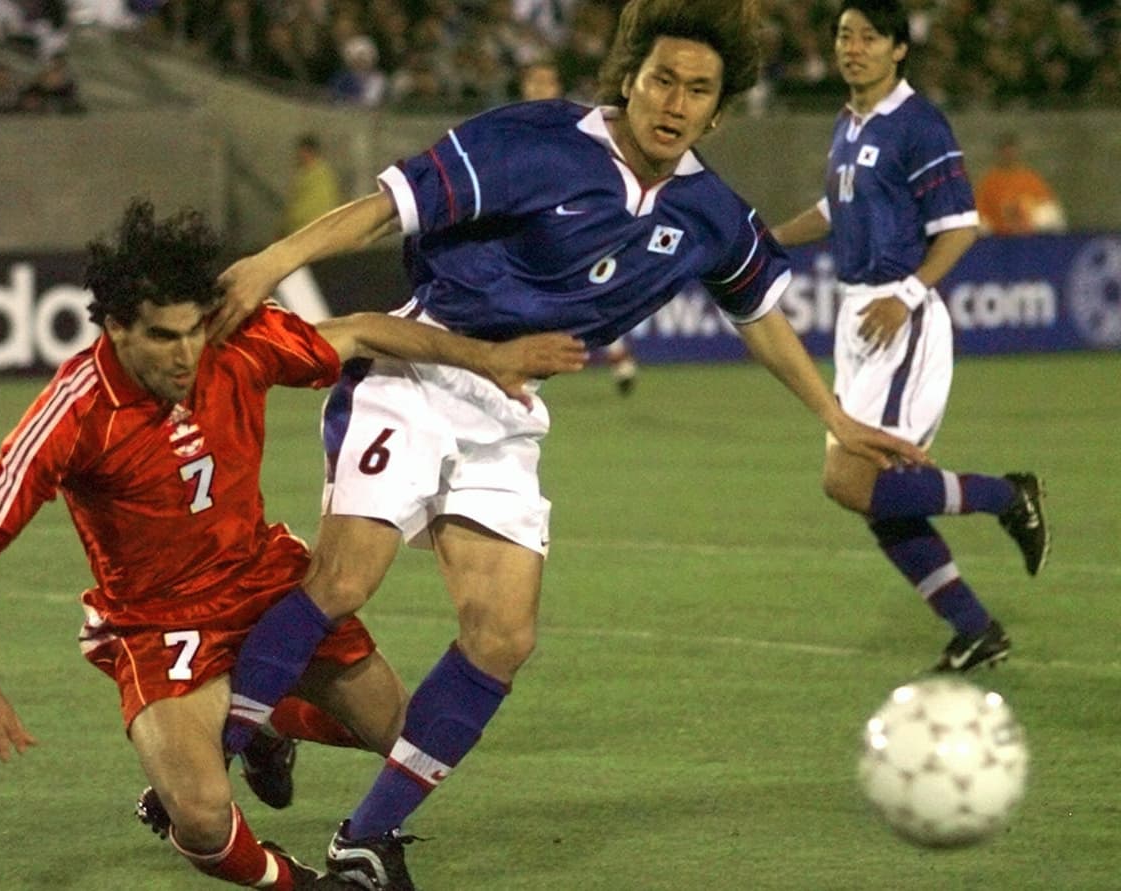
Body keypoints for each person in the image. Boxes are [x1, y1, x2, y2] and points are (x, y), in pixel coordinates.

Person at [205, 2, 934, 887]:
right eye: (661, 78)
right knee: (345, 580)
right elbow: (381, 209)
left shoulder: (708, 211)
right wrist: (266, 263)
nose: (674, 101)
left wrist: (835, 417)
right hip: (416, 370)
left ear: (720, 109)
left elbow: (760, 316)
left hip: (511, 410)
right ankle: (206, 764)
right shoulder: (533, 141)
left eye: (698, 89)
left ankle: (364, 838)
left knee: (504, 636)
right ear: (629, 76)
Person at [0, 198, 587, 890]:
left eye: (192, 331)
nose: (185, 354)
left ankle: (263, 721)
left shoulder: (232, 342)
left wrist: (486, 357)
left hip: (266, 584)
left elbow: (361, 332)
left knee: (403, 734)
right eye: (162, 336)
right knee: (203, 816)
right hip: (162, 622)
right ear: (115, 327)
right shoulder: (76, 408)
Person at [771, 0, 1049, 675]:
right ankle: (977, 629)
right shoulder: (849, 122)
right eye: (844, 35)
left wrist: (910, 293)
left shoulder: (918, 123)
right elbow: (835, 209)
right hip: (858, 318)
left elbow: (960, 225)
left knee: (850, 480)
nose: (853, 47)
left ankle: (1006, 496)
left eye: (869, 36)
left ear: (899, 49)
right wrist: (764, 241)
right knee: (872, 495)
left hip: (901, 315)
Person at [519, 57, 642, 397]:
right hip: (527, 228)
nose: (540, 88)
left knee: (582, 294)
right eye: (534, 81)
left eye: (547, 81)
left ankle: (615, 357)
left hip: (576, 227)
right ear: (524, 87)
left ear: (558, 87)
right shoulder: (512, 127)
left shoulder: (582, 128)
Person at [974, 132, 1067, 235]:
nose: (1008, 154)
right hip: (999, 240)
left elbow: (1050, 211)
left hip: (1030, 238)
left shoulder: (1031, 179)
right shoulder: (989, 182)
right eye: (1005, 150)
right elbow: (980, 216)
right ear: (999, 153)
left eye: (1011, 150)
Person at [279, 133, 343, 239]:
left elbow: (312, 206)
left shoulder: (321, 176)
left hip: (313, 230)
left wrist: (288, 222)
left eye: (302, 151)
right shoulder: (305, 175)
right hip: (309, 231)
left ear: (309, 151)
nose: (299, 155)